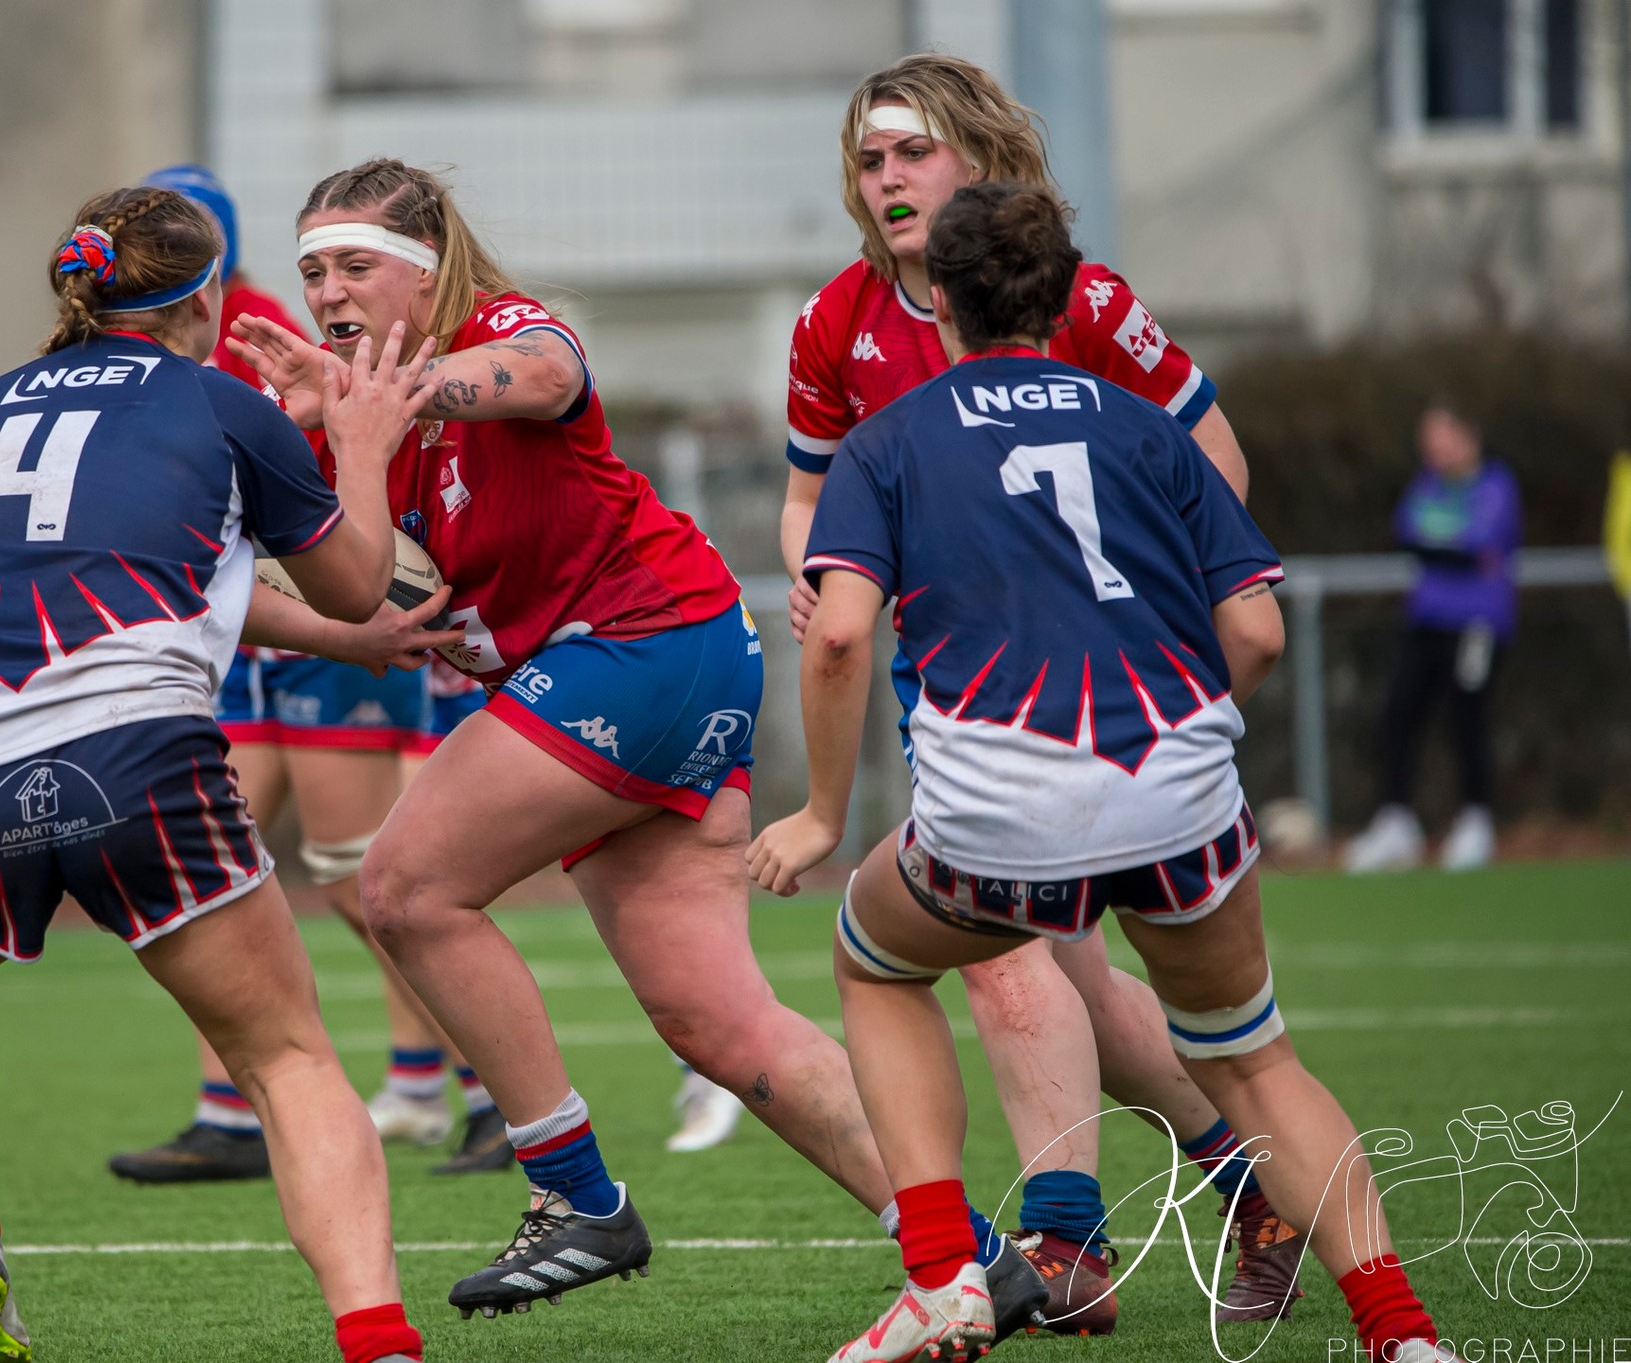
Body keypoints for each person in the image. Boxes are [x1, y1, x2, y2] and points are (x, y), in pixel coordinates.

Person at [227, 157, 1006, 1326]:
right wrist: (329, 438)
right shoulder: (364, 419)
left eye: (353, 265)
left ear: (427, 271)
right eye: (311, 273)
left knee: (402, 888)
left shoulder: (491, 330)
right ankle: (972, 1254)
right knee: (716, 1019)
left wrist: (390, 396)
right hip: (650, 665)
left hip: (641, 643)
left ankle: (574, 1191)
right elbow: (353, 588)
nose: (325, 291)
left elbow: (548, 371)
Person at [751, 180, 1456, 1363]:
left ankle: (943, 1280)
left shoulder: (889, 441)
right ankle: (1402, 1334)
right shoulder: (1142, 430)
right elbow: (1260, 631)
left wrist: (824, 813)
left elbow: (832, 634)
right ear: (1060, 290)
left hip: (998, 810)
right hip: (1179, 794)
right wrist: (1178, 730)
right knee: (1249, 1057)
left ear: (938, 295)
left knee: (872, 963)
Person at [779, 52, 1299, 1330]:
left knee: (1024, 959)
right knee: (1048, 966)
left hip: (1099, 692)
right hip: (952, 679)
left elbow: (1210, 451)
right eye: (867, 158)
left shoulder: (1076, 297)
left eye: (911, 151)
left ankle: (1072, 1243)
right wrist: (827, 578)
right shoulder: (833, 321)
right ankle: (1240, 1186)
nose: (886, 177)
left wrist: (1147, 620)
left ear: (973, 155)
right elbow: (807, 496)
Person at [0, 184, 430, 1363]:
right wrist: (361, 441)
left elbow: (156, 577)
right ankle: (378, 1341)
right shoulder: (226, 403)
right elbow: (354, 576)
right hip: (134, 749)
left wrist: (347, 644)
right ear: (206, 295)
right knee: (286, 1059)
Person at [107, 163, 502, 1186]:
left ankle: (476, 1085)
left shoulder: (251, 334)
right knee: (210, 864)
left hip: (322, 619)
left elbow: (307, 484)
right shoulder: (166, 342)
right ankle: (232, 1108)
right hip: (241, 627)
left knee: (360, 877)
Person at [1344, 401, 1521, 874]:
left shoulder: (1496, 485)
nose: (1433, 447)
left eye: (1441, 435)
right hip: (1424, 618)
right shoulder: (1426, 484)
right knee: (1397, 714)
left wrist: (1443, 541)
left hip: (1477, 623)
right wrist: (1448, 542)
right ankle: (1396, 821)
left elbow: (1474, 545)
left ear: (1468, 435)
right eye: (1428, 438)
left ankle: (1476, 821)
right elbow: (1410, 533)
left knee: (1467, 719)